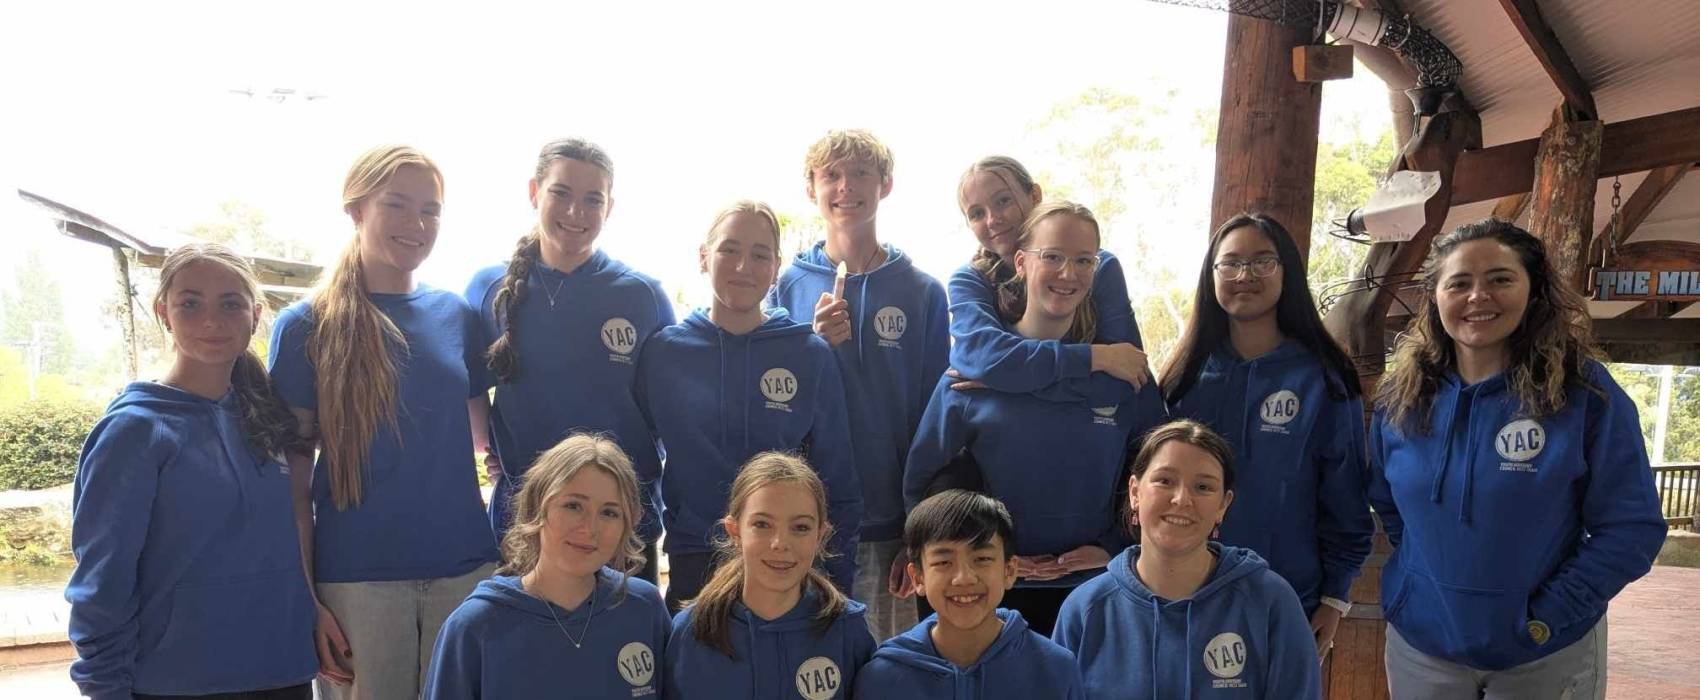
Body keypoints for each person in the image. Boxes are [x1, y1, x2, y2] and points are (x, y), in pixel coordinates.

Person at [1369, 219, 1667, 699]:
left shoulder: (1584, 394)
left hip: (1544, 651)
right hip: (1422, 648)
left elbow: (1632, 528)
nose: (1478, 296)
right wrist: (1421, 586)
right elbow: (1389, 506)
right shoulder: (1402, 399)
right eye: (1459, 283)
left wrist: (1548, 615)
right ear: (1435, 298)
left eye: (1500, 279)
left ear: (1533, 291)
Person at [268, 145, 499, 698]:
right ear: (356, 210)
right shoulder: (305, 326)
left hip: (465, 569)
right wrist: (307, 598)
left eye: (430, 210)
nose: (417, 224)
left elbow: (488, 443)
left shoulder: (456, 315)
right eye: (397, 204)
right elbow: (290, 485)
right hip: (357, 581)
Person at [65, 243, 318, 700]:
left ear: (256, 315)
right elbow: (103, 581)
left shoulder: (268, 419)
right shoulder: (134, 430)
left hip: (284, 671)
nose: (212, 321)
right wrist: (104, 688)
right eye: (191, 303)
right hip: (177, 681)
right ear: (163, 312)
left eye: (230, 304)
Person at [905, 201, 1167, 636]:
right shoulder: (970, 378)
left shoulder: (1120, 372)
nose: (1068, 273)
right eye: (1053, 256)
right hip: (992, 591)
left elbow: (1156, 469)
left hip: (1098, 586)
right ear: (1022, 263)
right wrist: (977, 556)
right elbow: (922, 484)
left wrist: (1116, 545)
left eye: (1083, 261)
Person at [1159, 212, 1374, 657]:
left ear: (1286, 272)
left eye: (1262, 262)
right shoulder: (1183, 379)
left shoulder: (1324, 378)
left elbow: (1346, 495)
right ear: (1211, 275)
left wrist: (1335, 597)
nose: (1245, 275)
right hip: (1182, 595)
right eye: (1231, 263)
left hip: (1287, 596)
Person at [767, 129, 950, 639]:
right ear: (812, 189)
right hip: (808, 520)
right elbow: (774, 405)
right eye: (831, 175)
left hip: (893, 526)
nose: (846, 186)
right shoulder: (785, 287)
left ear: (885, 184)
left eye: (861, 173)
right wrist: (811, 346)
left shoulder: (923, 292)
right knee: (813, 661)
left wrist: (920, 524)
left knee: (885, 664)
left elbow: (937, 419)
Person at [465, 138, 674, 582]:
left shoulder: (642, 296)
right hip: (525, 524)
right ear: (534, 192)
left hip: (620, 527)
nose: (576, 212)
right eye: (561, 193)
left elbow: (668, 414)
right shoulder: (489, 289)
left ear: (609, 207)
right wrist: (496, 450)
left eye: (592, 199)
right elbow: (471, 391)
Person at [637, 200, 862, 611]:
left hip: (785, 557)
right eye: (729, 249)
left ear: (776, 268)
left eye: (760, 255)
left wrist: (837, 587)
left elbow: (838, 478)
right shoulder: (664, 353)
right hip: (696, 556)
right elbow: (638, 455)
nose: (743, 266)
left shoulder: (808, 354)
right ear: (704, 257)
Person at [1053, 420, 1321, 699]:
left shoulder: (1271, 602)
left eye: (1203, 487)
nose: (1182, 499)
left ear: (1223, 505)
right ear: (1134, 492)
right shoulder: (1084, 609)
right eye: (1165, 481)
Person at [424, 434, 670, 699]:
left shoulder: (644, 609)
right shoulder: (475, 627)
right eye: (573, 506)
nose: (590, 528)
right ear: (537, 507)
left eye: (609, 512)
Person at [664, 452, 878, 700]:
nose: (780, 543)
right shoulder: (692, 631)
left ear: (819, 536)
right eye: (762, 525)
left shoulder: (847, 630)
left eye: (800, 527)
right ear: (735, 531)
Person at [948, 155, 1149, 399]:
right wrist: (1097, 357)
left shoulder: (1099, 268)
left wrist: (1008, 383)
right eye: (977, 213)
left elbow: (1129, 372)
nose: (992, 219)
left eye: (1003, 201)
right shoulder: (971, 280)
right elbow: (980, 357)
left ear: (1035, 196)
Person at [854, 489, 1084, 699]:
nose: (963, 578)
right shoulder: (881, 678)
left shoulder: (1054, 668)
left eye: (982, 559)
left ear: (1009, 571)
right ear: (918, 578)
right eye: (943, 562)